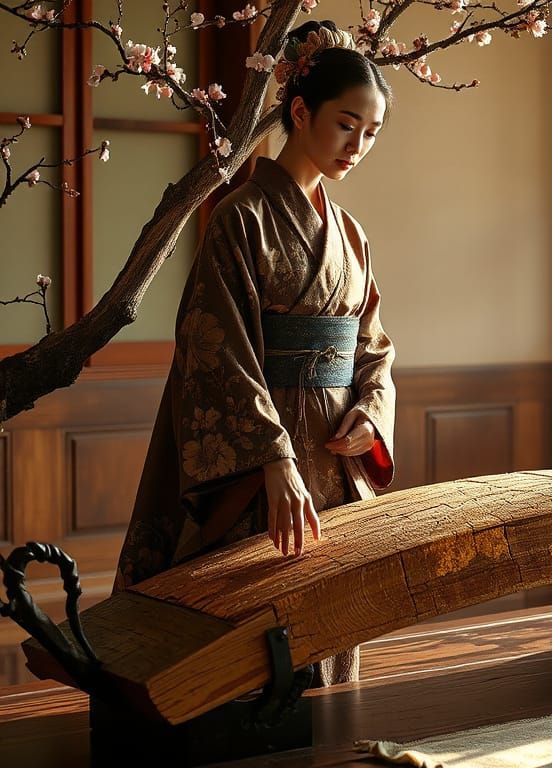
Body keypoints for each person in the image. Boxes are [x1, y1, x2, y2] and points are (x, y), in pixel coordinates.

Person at [113, 20, 396, 688]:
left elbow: (374, 345)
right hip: (260, 472)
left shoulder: (351, 235)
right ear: (300, 112)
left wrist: (372, 410)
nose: (357, 146)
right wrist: (272, 460)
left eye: (372, 133)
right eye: (346, 124)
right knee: (252, 634)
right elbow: (218, 349)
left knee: (330, 630)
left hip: (333, 463)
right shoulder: (239, 218)